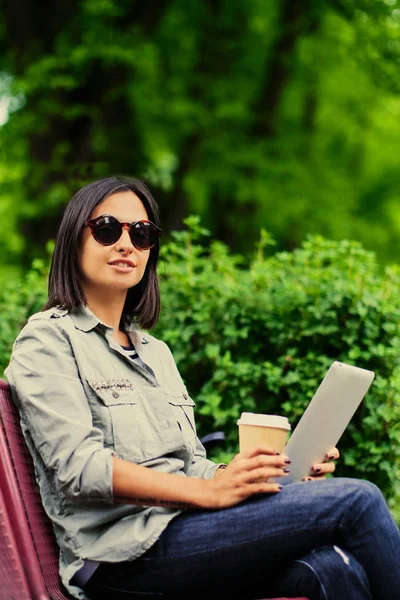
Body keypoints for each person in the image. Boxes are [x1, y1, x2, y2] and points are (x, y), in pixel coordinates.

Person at [4, 176, 400, 600]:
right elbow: (78, 468)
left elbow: (192, 466)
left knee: (329, 569)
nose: (126, 245)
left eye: (140, 234)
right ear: (73, 240)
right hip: (119, 557)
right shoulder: (47, 340)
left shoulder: (156, 353)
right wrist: (206, 491)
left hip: (184, 532)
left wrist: (255, 475)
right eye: (106, 229)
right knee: (357, 501)